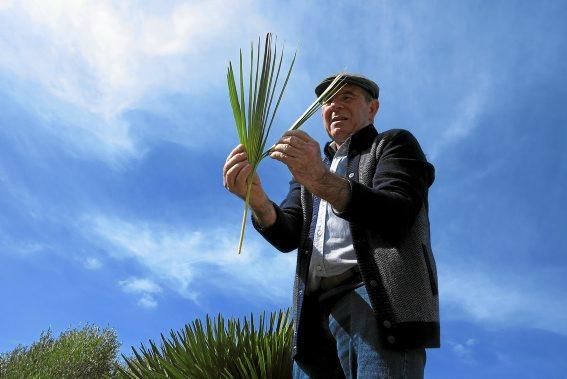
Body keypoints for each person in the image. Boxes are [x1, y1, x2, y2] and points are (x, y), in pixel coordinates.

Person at [223, 73, 439, 378]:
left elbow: (397, 212)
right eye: (328, 101)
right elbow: (287, 234)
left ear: (372, 108)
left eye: (347, 97)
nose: (335, 105)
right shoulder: (311, 169)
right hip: (314, 318)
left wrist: (320, 180)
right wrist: (258, 201)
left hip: (377, 302)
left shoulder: (392, 144)